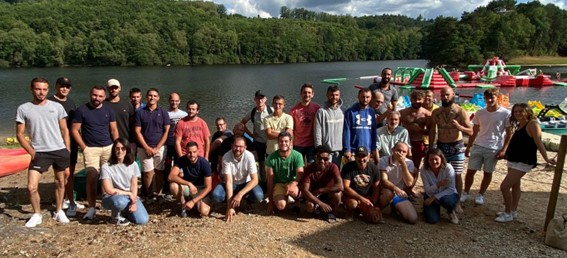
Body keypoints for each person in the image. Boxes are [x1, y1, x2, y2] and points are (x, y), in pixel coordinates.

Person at [17, 77, 71, 227]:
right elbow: (20, 134)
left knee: (60, 182)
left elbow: (64, 129)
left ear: (48, 90)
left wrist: (67, 149)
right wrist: (31, 151)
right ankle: (37, 214)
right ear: (32, 89)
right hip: (39, 152)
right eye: (38, 89)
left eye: (44, 89)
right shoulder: (24, 108)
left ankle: (59, 210)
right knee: (31, 186)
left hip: (59, 150)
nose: (41, 92)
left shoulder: (57, 107)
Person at [495, 103, 556, 222]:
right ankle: (513, 211)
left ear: (527, 112)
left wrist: (546, 159)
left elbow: (538, 142)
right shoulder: (518, 124)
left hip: (524, 161)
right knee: (515, 185)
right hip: (514, 158)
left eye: (521, 111)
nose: (518, 113)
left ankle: (507, 213)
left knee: (504, 186)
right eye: (516, 111)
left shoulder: (532, 124)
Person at [72, 86, 119, 220]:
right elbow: (75, 130)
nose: (97, 98)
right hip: (91, 148)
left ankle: (106, 202)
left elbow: (114, 129)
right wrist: (83, 147)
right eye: (94, 95)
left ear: (104, 97)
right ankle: (91, 207)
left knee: (108, 177)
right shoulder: (81, 110)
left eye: (100, 96)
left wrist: (117, 146)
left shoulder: (108, 110)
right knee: (92, 177)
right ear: (90, 94)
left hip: (108, 147)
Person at [462, 88, 511, 206]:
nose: (489, 100)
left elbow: (509, 133)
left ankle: (481, 194)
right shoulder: (480, 113)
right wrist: (468, 146)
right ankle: (466, 192)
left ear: (497, 97)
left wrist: (504, 150)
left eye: (492, 97)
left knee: (488, 172)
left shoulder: (506, 114)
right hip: (479, 144)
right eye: (487, 98)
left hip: (494, 147)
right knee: (470, 171)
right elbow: (474, 131)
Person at [428, 87, 472, 211]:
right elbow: (432, 130)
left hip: (456, 146)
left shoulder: (460, 112)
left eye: (447, 95)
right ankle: (440, 198)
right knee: (441, 174)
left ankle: (457, 201)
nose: (445, 97)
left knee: (457, 175)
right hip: (441, 145)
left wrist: (459, 127)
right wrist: (431, 147)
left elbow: (471, 131)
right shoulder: (436, 112)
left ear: (453, 95)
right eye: (442, 95)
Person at [48, 77, 83, 217]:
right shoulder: (50, 102)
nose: (65, 89)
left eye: (67, 87)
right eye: (62, 86)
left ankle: (70, 200)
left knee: (70, 173)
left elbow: (75, 124)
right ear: (56, 86)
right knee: (61, 174)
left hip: (71, 143)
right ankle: (61, 202)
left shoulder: (71, 101)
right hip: (56, 143)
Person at [211, 137, 263, 222]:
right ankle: (231, 203)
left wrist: (240, 194)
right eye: (236, 146)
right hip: (232, 183)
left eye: (241, 146)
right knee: (217, 195)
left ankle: (248, 202)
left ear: (245, 147)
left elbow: (255, 180)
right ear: (232, 146)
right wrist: (229, 208)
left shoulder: (250, 156)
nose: (238, 149)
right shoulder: (226, 157)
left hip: (246, 183)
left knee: (259, 195)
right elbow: (229, 182)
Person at [100, 138, 148, 226]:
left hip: (128, 197)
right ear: (113, 150)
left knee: (142, 220)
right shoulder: (106, 167)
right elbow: (109, 190)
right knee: (119, 201)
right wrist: (129, 194)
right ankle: (114, 218)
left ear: (127, 150)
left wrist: (133, 201)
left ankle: (124, 212)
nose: (120, 151)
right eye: (117, 148)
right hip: (112, 197)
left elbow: (134, 185)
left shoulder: (133, 165)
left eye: (123, 148)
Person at [134, 88, 170, 202]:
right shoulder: (140, 112)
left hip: (160, 147)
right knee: (148, 173)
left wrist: (157, 147)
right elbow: (137, 131)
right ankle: (149, 195)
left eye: (155, 96)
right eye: (150, 95)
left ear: (158, 98)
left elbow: (166, 131)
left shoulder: (163, 112)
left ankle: (158, 193)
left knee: (159, 171)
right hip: (144, 147)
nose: (152, 98)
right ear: (146, 97)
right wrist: (147, 147)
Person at [168, 142, 213, 217]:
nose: (192, 155)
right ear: (186, 152)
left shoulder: (204, 164)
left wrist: (193, 201)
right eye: (189, 152)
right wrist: (189, 184)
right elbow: (170, 176)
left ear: (198, 151)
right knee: (173, 186)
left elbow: (209, 187)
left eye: (194, 152)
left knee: (204, 212)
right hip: (188, 187)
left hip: (201, 189)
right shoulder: (182, 160)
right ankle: (183, 205)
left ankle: (195, 203)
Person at [301, 145, 343, 223]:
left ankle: (331, 213)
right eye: (320, 158)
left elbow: (340, 186)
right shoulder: (309, 169)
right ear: (315, 157)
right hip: (315, 196)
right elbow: (305, 190)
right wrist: (320, 203)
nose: (322, 161)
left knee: (337, 195)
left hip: (328, 194)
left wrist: (320, 190)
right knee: (309, 207)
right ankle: (318, 210)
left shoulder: (333, 167)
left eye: (326, 159)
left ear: (329, 158)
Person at [378, 142, 418, 224]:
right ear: (393, 150)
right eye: (398, 150)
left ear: (407, 153)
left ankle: (394, 207)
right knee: (388, 194)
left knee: (412, 218)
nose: (401, 153)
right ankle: (379, 209)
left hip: (399, 194)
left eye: (404, 152)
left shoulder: (409, 163)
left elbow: (409, 183)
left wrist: (403, 165)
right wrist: (395, 189)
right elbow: (384, 180)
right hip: (387, 191)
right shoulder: (384, 160)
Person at [341, 146, 382, 223]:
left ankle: (365, 211)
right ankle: (350, 212)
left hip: (367, 196)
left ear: (369, 156)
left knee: (374, 218)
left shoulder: (374, 168)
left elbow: (376, 187)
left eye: (364, 156)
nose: (361, 159)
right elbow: (346, 187)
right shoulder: (348, 167)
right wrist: (361, 199)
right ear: (355, 157)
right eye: (358, 156)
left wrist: (372, 204)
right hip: (352, 196)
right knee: (353, 204)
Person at [266, 132, 304, 214]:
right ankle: (281, 198)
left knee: (294, 191)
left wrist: (293, 184)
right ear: (278, 142)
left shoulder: (297, 155)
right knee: (280, 206)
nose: (283, 143)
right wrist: (270, 203)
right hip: (279, 183)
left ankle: (297, 202)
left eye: (286, 141)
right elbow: (270, 180)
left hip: (292, 182)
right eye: (281, 141)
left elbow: (300, 174)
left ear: (291, 142)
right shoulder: (271, 157)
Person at [240, 90, 273, 184]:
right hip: (258, 142)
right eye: (258, 98)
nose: (260, 100)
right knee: (261, 164)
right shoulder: (253, 112)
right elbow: (242, 123)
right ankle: (263, 182)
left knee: (272, 165)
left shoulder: (271, 110)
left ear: (265, 99)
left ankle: (271, 183)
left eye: (262, 98)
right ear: (255, 99)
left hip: (270, 142)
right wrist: (251, 135)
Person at [420, 148, 460, 224]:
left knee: (448, 201)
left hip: (447, 195)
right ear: (427, 160)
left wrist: (434, 197)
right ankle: (431, 209)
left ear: (441, 159)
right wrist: (438, 185)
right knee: (432, 220)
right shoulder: (424, 170)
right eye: (431, 159)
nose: (434, 162)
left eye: (436, 159)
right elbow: (428, 190)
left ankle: (451, 210)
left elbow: (451, 189)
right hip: (430, 194)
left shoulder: (448, 168)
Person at [343, 88, 378, 163]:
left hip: (367, 150)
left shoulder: (372, 112)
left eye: (367, 97)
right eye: (363, 97)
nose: (365, 99)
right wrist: (347, 149)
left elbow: (373, 132)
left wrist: (373, 148)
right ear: (358, 97)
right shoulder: (350, 112)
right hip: (353, 151)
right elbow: (346, 131)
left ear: (371, 97)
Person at [400, 90, 431, 170]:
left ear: (423, 100)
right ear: (410, 99)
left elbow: (430, 132)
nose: (417, 101)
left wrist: (420, 130)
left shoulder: (427, 114)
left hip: (418, 142)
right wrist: (408, 126)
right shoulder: (403, 113)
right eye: (414, 99)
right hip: (405, 142)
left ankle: (412, 182)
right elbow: (395, 128)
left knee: (415, 167)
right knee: (402, 165)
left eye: (419, 99)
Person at [314, 85, 344, 167]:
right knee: (325, 173)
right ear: (327, 95)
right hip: (325, 151)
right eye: (332, 95)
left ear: (339, 95)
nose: (334, 97)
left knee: (336, 173)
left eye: (336, 95)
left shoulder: (343, 111)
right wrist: (319, 149)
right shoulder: (321, 112)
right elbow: (317, 132)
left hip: (338, 151)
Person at [290, 83, 320, 163]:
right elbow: (291, 129)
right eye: (305, 92)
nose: (307, 94)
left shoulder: (317, 108)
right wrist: (290, 144)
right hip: (297, 145)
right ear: (301, 94)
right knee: (298, 168)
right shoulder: (294, 110)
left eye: (309, 92)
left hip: (312, 145)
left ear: (313, 94)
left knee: (312, 166)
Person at [164, 92, 187, 195]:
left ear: (179, 101)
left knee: (179, 165)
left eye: (176, 100)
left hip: (179, 145)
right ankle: (166, 186)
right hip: (167, 144)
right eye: (172, 100)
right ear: (169, 101)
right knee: (167, 165)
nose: (174, 102)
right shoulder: (165, 113)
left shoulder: (184, 114)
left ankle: (178, 186)